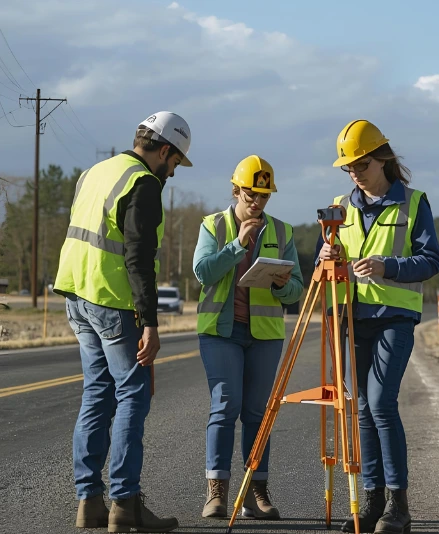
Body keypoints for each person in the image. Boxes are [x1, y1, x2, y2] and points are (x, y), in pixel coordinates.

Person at [54, 111, 193, 533]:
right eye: (175, 163)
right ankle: (125, 503)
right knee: (132, 392)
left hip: (75, 295)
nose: (173, 172)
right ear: (165, 150)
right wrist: (150, 323)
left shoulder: (96, 172)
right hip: (111, 301)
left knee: (98, 392)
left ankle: (88, 502)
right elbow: (138, 259)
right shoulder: (143, 183)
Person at [316, 120, 439, 534]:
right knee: (363, 409)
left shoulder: (413, 202)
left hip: (394, 318)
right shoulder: (341, 205)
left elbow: (431, 260)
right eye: (348, 167)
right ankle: (371, 500)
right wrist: (328, 257)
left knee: (381, 403)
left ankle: (398, 505)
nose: (355, 172)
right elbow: (327, 260)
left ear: (383, 159)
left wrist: (389, 267)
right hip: (353, 317)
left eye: (362, 164)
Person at [192, 155, 303, 520]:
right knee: (226, 406)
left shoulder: (282, 232)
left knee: (258, 413)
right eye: (251, 195)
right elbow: (204, 273)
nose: (257, 202)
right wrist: (237, 245)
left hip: (265, 335)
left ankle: (256, 491)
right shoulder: (213, 226)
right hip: (220, 333)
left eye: (264, 196)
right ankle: (217, 491)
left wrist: (283, 285)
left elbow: (297, 291)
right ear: (236, 190)